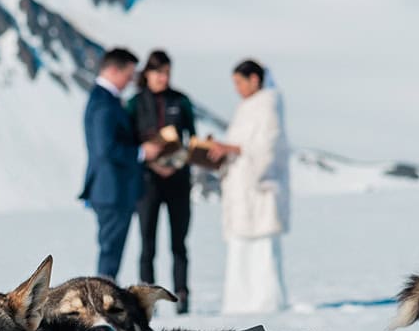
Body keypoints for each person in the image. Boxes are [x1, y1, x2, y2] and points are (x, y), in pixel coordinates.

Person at [210, 59, 291, 313]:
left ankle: (266, 302)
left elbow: (267, 148)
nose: (237, 89)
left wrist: (230, 148)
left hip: (259, 191)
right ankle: (240, 302)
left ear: (254, 79)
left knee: (263, 250)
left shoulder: (269, 104)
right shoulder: (246, 107)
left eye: (239, 82)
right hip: (241, 191)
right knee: (240, 248)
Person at [127, 49, 197, 313]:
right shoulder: (135, 103)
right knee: (148, 244)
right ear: (147, 73)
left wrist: (183, 157)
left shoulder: (181, 101)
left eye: (167, 72)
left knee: (179, 243)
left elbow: (192, 138)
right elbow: (129, 139)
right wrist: (150, 156)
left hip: (178, 180)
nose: (163, 78)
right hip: (148, 182)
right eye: (158, 72)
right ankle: (148, 298)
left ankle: (182, 294)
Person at [79, 48, 156, 279]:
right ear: (114, 70)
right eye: (128, 74)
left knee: (111, 252)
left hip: (114, 189)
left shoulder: (106, 99)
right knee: (110, 254)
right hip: (112, 190)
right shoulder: (104, 103)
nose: (131, 81)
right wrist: (142, 152)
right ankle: (102, 304)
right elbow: (106, 149)